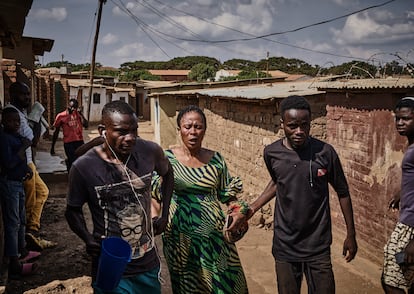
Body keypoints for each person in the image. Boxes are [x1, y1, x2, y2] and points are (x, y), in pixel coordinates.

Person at [239, 95, 357, 294]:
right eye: (293, 126)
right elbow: (278, 182)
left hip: (318, 245)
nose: (299, 131)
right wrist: (253, 208)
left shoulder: (325, 153)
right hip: (285, 244)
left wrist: (351, 235)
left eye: (305, 125)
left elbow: (343, 192)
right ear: (282, 124)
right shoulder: (272, 153)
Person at [65, 100, 174, 293]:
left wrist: (164, 214)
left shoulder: (149, 152)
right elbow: (72, 211)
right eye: (121, 131)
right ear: (102, 131)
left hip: (147, 264)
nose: (130, 137)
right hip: (110, 266)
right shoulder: (84, 167)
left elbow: (168, 173)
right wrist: (87, 239)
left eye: (134, 130)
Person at [152, 105, 249, 293]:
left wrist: (237, 212)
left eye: (198, 127)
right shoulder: (167, 159)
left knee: (226, 282)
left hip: (214, 237)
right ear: (179, 129)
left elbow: (228, 196)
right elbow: (155, 196)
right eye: (188, 127)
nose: (193, 132)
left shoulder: (216, 160)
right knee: (188, 285)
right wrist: (155, 219)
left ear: (205, 129)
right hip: (179, 237)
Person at [5, 82, 56, 252]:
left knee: (42, 192)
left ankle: (32, 231)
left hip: (28, 163)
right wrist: (37, 119)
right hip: (23, 165)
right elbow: (33, 141)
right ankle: (28, 235)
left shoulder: (20, 113)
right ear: (12, 94)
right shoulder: (12, 115)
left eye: (28, 94)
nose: (27, 98)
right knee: (30, 200)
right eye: (23, 94)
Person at [0, 107, 40, 278]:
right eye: (11, 121)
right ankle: (14, 262)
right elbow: (8, 163)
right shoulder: (4, 138)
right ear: (3, 122)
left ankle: (22, 250)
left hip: (19, 182)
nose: (15, 124)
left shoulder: (15, 136)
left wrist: (26, 170)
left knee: (21, 219)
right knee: (13, 223)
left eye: (17, 121)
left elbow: (20, 161)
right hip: (9, 184)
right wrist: (23, 148)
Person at [382, 97, 414, 294]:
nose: (400, 123)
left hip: (410, 227)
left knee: (391, 280)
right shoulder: (411, 146)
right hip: (408, 220)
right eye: (397, 118)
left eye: (406, 119)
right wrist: (403, 192)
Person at [50, 98, 88, 171]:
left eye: (75, 108)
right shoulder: (61, 116)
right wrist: (52, 147)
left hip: (79, 141)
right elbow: (56, 132)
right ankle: (72, 175)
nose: (73, 109)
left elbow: (86, 125)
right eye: (71, 107)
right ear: (68, 106)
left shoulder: (78, 114)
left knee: (81, 160)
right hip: (68, 143)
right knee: (74, 161)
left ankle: (72, 171)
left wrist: (81, 114)